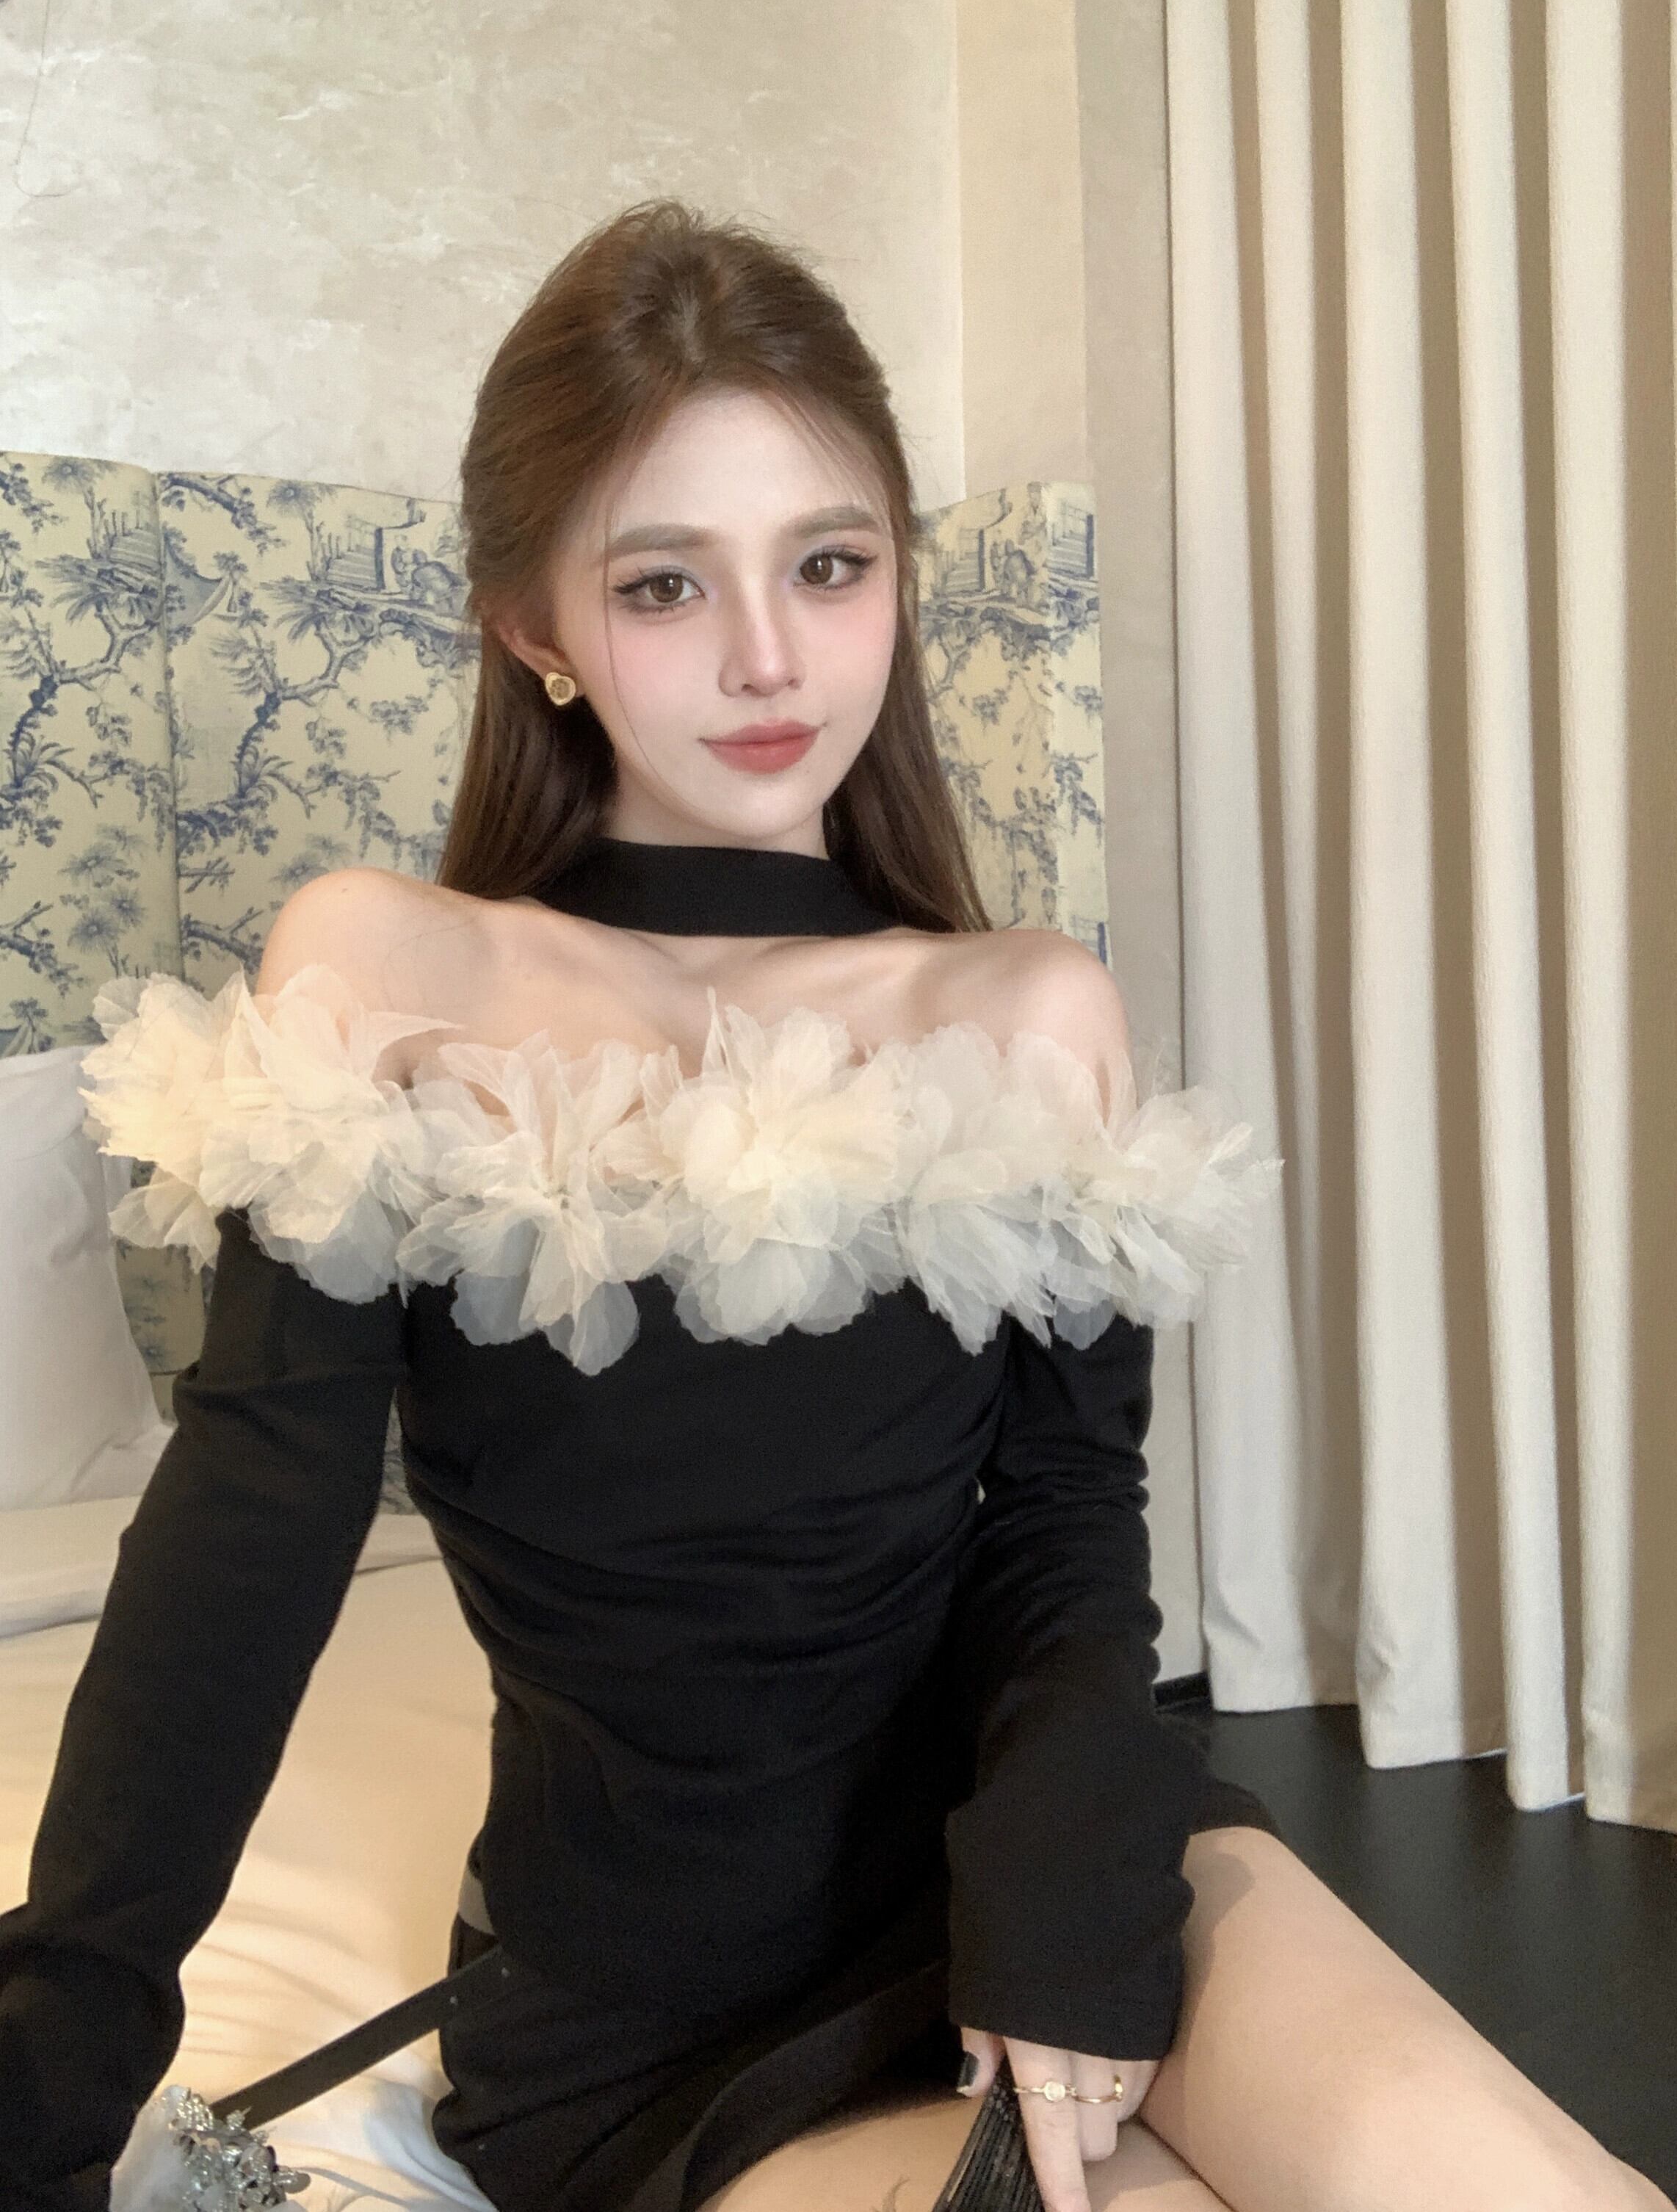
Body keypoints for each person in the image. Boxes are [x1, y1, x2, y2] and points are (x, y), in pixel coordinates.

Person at [0, 200, 1662, 2212]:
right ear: (533, 625)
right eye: (663, 583)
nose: (770, 657)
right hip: (647, 2000)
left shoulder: (1026, 1009)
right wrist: (52, 2072)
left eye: (829, 564)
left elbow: (1064, 1527)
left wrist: (1062, 1906)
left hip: (1050, 1855)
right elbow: (246, 1541)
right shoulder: (388, 975)